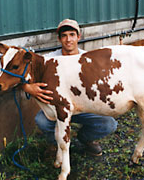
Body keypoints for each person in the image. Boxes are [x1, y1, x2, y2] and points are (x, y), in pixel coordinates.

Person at [22, 19, 118, 156]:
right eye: (64, 35)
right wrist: (27, 88)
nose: (68, 39)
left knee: (109, 124)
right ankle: (55, 144)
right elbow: (22, 71)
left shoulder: (88, 59)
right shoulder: (49, 59)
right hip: (57, 108)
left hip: (85, 107)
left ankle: (85, 139)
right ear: (59, 39)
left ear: (78, 37)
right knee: (41, 120)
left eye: (72, 34)